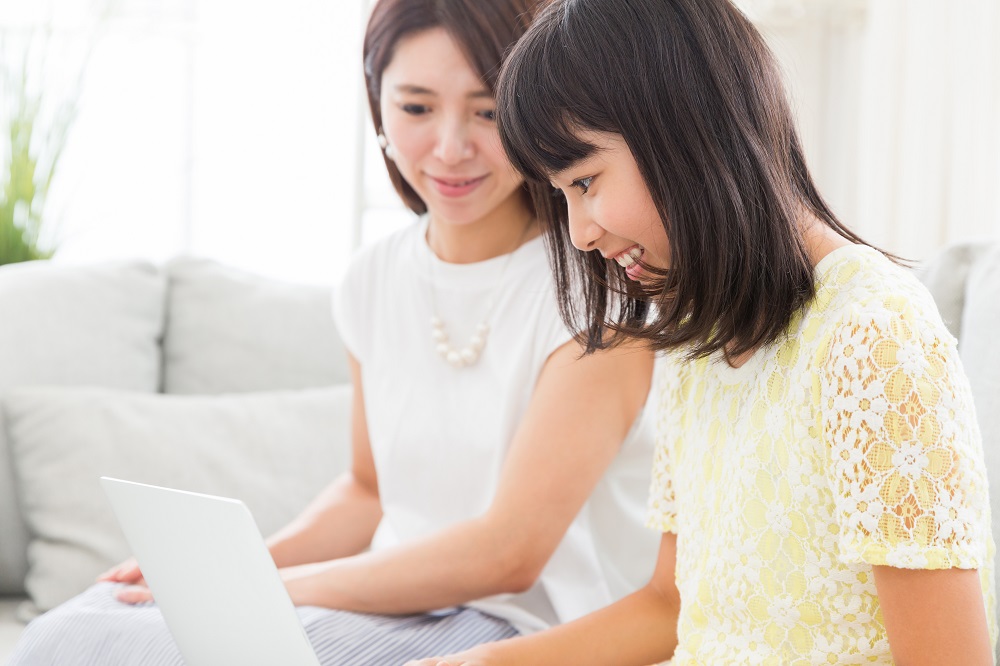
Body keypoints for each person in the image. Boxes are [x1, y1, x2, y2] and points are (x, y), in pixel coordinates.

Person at [7, 0, 661, 664]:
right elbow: (368, 490)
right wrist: (230, 568)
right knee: (70, 633)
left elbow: (508, 554)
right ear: (379, 109)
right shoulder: (373, 276)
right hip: (390, 602)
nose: (450, 147)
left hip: (526, 628)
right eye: (416, 107)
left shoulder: (599, 288)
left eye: (488, 112)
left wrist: (263, 587)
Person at [406, 0, 998, 664]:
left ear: (684, 129)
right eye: (561, 194)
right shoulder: (699, 342)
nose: (579, 233)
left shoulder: (872, 335)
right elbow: (670, 604)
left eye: (586, 181)